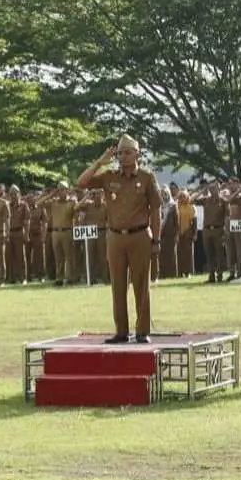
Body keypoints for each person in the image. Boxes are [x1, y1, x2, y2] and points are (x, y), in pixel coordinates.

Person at [76, 135, 162, 343]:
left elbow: (156, 210)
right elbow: (81, 183)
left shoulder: (146, 177)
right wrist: (100, 161)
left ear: (137, 155)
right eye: (120, 152)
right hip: (115, 236)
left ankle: (142, 331)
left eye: (127, 152)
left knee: (141, 285)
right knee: (118, 285)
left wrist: (156, 240)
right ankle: (121, 331)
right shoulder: (109, 176)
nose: (123, 156)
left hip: (140, 235)